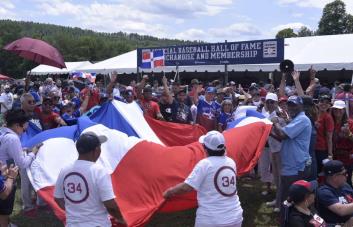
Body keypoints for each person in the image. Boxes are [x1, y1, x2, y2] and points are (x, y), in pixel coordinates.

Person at [163, 131, 243, 227]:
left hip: (212, 220)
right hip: (235, 216)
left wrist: (169, 192)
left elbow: (186, 187)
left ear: (205, 148)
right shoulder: (231, 162)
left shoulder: (205, 164)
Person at [54, 132, 125, 226]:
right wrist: (121, 219)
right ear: (96, 150)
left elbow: (58, 198)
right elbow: (110, 204)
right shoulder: (99, 171)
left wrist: (75, 214)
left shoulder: (64, 170)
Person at [271, 96, 312, 217]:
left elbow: (283, 134)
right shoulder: (295, 119)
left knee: (291, 200)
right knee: (287, 198)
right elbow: (282, 138)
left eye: (294, 105)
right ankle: (288, 220)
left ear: (301, 106)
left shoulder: (302, 119)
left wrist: (275, 123)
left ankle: (291, 220)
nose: (290, 107)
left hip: (296, 166)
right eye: (289, 105)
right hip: (290, 165)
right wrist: (269, 132)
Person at [0, 109, 41, 226]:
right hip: (5, 177)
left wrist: (22, 150)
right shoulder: (13, 138)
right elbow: (22, 164)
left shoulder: (2, 132)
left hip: (3, 170)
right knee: (4, 210)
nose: (24, 131)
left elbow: (6, 152)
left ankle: (7, 223)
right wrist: (33, 152)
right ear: (17, 125)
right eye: (24, 128)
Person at [317, 160, 353, 226]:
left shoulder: (345, 185)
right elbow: (341, 210)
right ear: (334, 177)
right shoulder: (324, 192)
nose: (347, 175)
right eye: (344, 174)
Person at [331, 100, 353, 186]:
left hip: (347, 157)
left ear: (344, 110)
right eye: (335, 109)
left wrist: (349, 134)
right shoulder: (331, 121)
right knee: (334, 180)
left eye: (340, 109)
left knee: (346, 180)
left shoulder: (350, 123)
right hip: (334, 156)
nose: (337, 111)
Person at [315, 95, 334, 174]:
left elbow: (329, 137)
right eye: (322, 102)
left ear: (329, 105)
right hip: (313, 147)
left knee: (320, 172)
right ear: (318, 103)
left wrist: (330, 154)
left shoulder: (328, 117)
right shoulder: (315, 115)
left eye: (327, 103)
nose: (324, 104)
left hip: (322, 149)